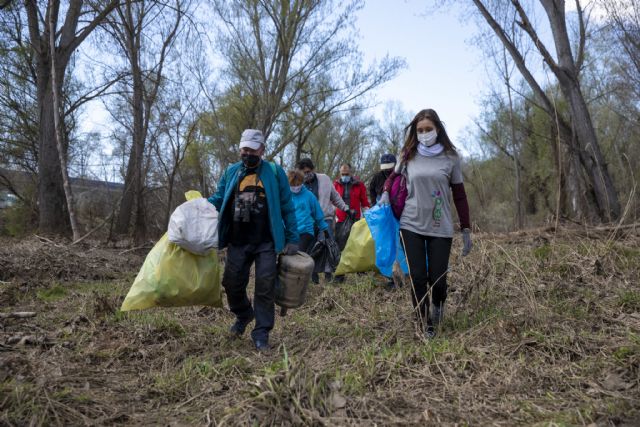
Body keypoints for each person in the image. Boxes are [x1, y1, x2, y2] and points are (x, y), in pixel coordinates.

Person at [379, 109, 472, 339]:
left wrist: (466, 228)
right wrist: (384, 193)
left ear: (437, 129)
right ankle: (424, 324)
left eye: (428, 129)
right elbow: (392, 178)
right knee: (418, 278)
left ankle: (438, 305)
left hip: (441, 226)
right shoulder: (408, 155)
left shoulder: (451, 157)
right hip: (411, 224)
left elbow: (459, 194)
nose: (424, 134)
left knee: (438, 279)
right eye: (419, 130)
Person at [208, 129, 299, 352]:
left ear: (262, 150)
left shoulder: (274, 173)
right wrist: (199, 206)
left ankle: (261, 333)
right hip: (238, 240)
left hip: (265, 241)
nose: (247, 153)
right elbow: (219, 198)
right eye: (244, 149)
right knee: (231, 283)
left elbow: (287, 207)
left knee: (265, 286)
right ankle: (243, 314)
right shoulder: (231, 172)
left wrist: (292, 237)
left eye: (252, 149)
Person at [297, 158, 348, 283]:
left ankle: (329, 276)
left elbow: (335, 197)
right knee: (311, 249)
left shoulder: (324, 179)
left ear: (313, 169)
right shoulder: (297, 185)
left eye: (308, 171)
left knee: (327, 245)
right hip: (307, 222)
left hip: (325, 219)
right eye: (303, 172)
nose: (306, 174)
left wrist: (346, 208)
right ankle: (313, 278)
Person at [287, 170, 329, 256]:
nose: (295, 187)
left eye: (298, 184)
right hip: (289, 232)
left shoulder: (309, 196)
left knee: (297, 254)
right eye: (293, 185)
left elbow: (318, 214)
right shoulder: (286, 196)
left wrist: (324, 229)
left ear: (302, 182)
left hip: (305, 231)